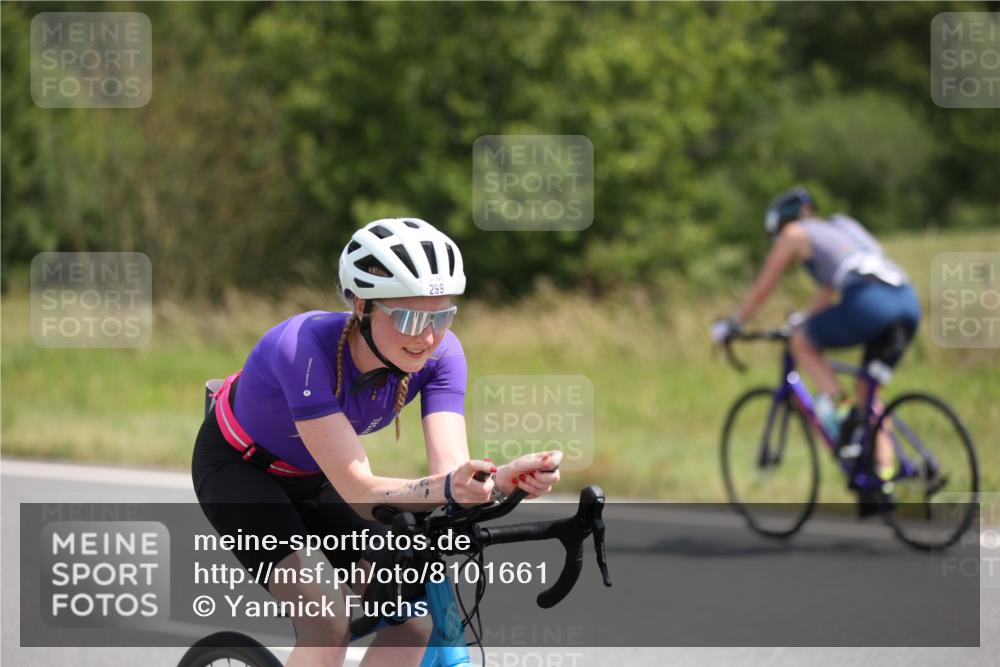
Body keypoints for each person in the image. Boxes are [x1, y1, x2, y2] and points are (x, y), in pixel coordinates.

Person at [192, 217, 562, 667]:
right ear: (363, 305)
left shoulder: (443, 355)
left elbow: (453, 477)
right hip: (241, 470)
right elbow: (361, 491)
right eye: (407, 317)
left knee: (412, 619)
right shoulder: (303, 350)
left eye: (441, 317)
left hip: (317, 476)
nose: (426, 336)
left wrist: (499, 481)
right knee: (327, 618)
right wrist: (446, 488)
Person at [711, 188, 921, 505]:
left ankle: (843, 409)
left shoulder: (793, 234)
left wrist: (734, 324)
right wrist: (806, 316)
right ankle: (883, 480)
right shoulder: (842, 226)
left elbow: (764, 285)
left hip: (870, 302)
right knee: (870, 393)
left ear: (778, 224)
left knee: (802, 343)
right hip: (906, 302)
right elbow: (832, 287)